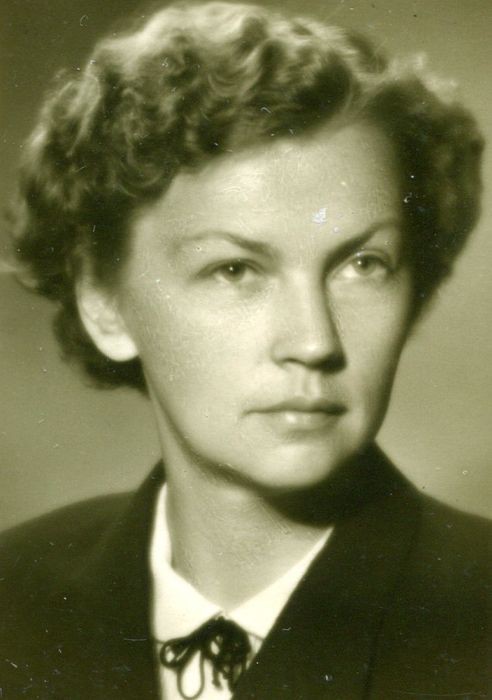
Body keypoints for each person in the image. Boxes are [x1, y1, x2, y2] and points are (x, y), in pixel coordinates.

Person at [0, 2, 489, 698]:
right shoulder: (13, 601)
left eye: (363, 265)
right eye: (234, 270)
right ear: (104, 303)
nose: (314, 342)